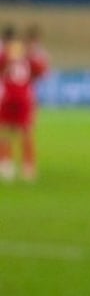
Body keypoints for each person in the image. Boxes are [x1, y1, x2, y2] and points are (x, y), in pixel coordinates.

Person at [0, 24, 51, 182]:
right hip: (24, 98)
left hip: (7, 96)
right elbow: (42, 72)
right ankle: (29, 168)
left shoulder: (5, 55)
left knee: (5, 131)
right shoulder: (28, 55)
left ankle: (6, 166)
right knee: (26, 132)